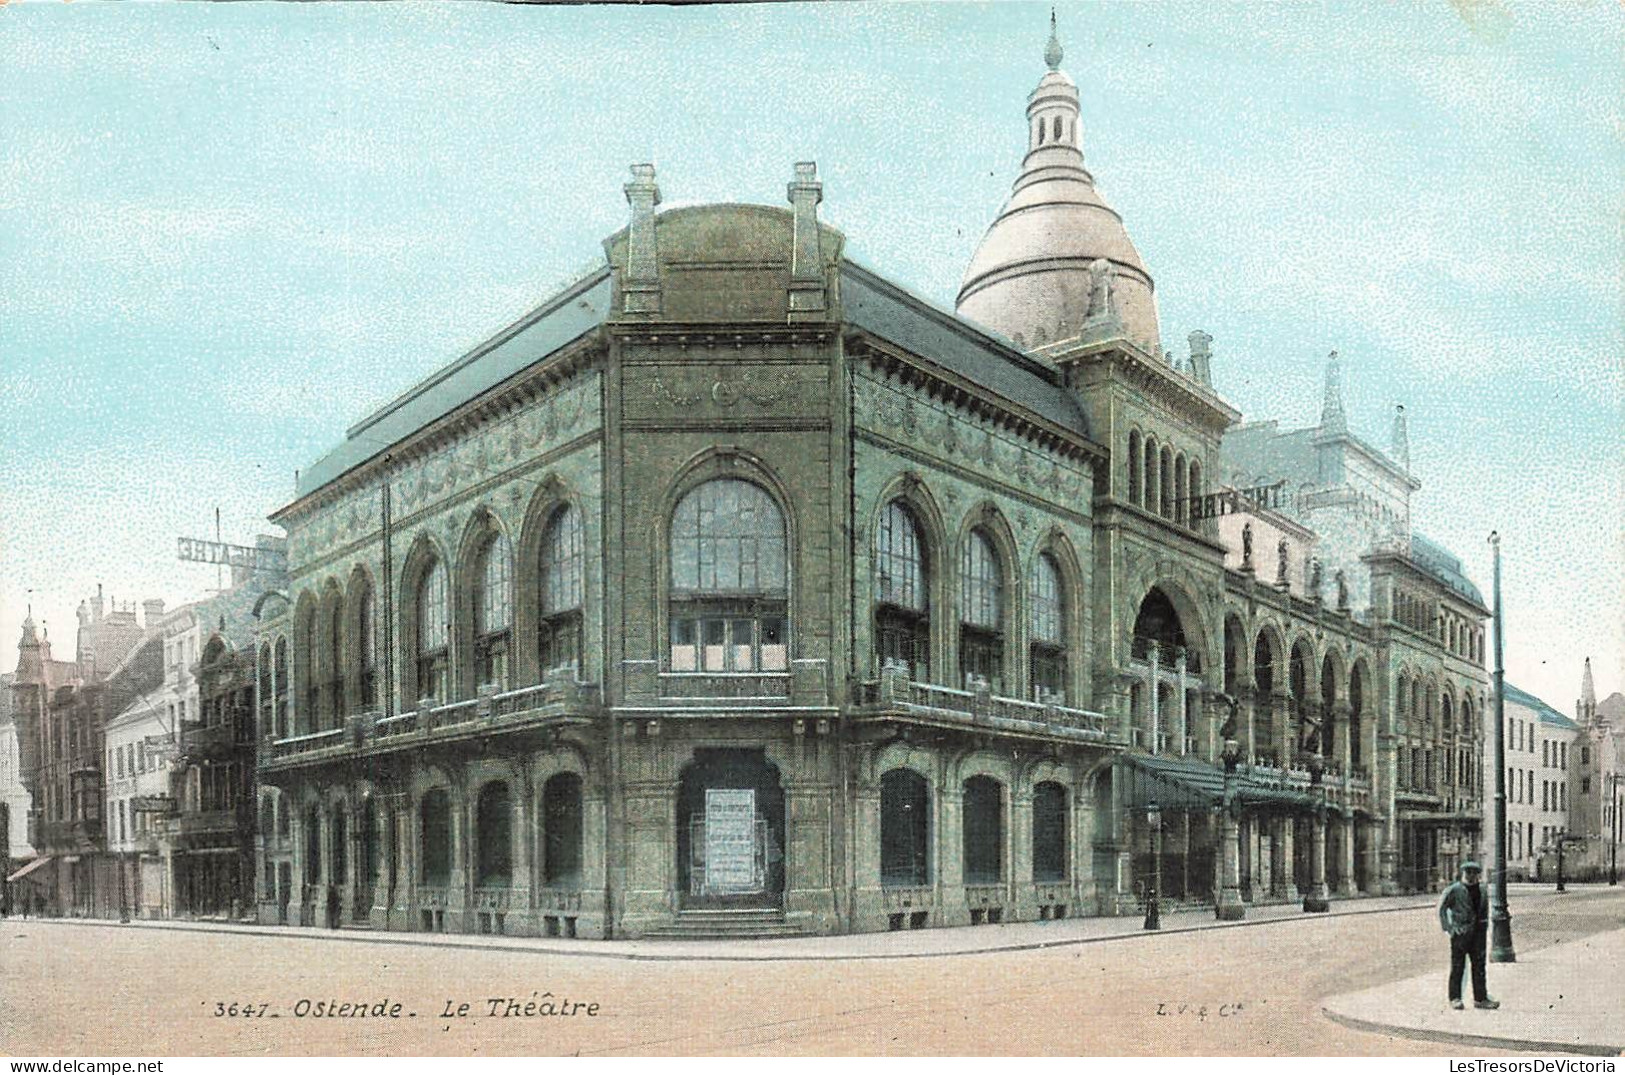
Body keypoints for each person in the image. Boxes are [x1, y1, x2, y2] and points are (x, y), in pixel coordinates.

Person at [1438, 861, 1499, 1010]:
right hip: (1460, 933)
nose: (1471, 876)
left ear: (1477, 874)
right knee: (1458, 966)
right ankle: (1455, 998)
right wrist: (1450, 928)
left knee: (1479, 966)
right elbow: (1442, 909)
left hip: (1478, 934)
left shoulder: (1483, 890)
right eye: (1468, 872)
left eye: (1474, 873)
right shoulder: (1454, 890)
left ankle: (1480, 999)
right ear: (1463, 873)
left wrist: (1485, 927)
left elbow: (1484, 909)